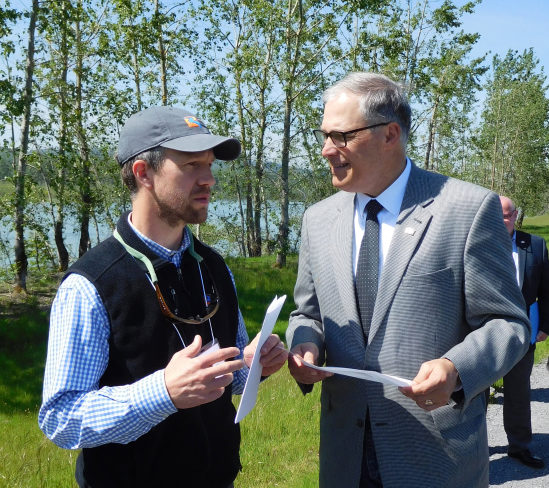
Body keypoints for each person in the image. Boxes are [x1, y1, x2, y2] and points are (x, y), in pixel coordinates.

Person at [286, 72, 530, 487]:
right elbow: (306, 312)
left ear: (390, 134)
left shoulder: (467, 209)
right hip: (345, 456)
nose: (327, 150)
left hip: (435, 456)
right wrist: (304, 343)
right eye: (324, 135)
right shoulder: (317, 220)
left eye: (340, 136)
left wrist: (456, 368)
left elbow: (508, 324)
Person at [38, 106, 288, 488]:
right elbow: (61, 418)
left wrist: (250, 363)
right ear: (144, 173)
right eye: (191, 166)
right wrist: (164, 392)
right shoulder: (92, 285)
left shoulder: (214, 267)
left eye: (210, 165)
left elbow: (229, 380)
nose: (209, 180)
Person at [498, 195, 549, 469]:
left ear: (516, 215)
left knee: (518, 392)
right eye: (497, 214)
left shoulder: (535, 245)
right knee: (475, 394)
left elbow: (546, 291)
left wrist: (545, 327)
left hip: (522, 331)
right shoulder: (476, 241)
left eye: (507, 214)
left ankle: (520, 447)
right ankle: (472, 449)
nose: (502, 219)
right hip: (481, 333)